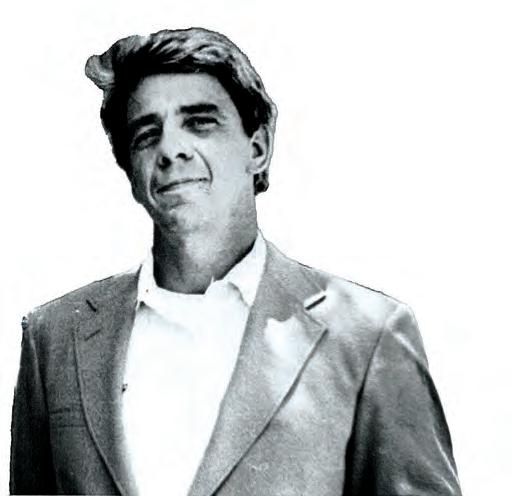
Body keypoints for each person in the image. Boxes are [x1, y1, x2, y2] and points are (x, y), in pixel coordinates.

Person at [10, 27, 462, 495]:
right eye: (146, 134)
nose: (171, 149)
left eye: (199, 122)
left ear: (258, 148)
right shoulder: (54, 338)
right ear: (130, 169)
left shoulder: (367, 335)